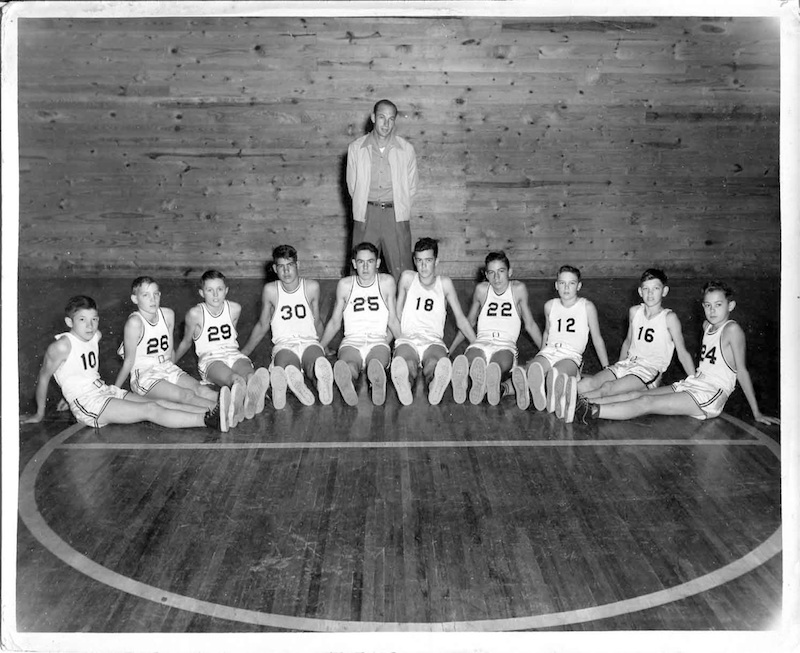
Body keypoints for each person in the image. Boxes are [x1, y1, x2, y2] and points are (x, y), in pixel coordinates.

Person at [574, 281, 780, 427]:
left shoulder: (732, 330)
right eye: (708, 305)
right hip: (694, 383)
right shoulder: (707, 325)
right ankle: (580, 403)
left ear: (731, 305)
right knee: (637, 394)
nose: (712, 310)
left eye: (718, 305)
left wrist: (756, 412)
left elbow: (741, 371)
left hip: (710, 394)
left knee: (646, 403)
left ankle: (589, 411)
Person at [20, 295, 229, 431]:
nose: (90, 325)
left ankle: (216, 409)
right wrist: (39, 414)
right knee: (150, 409)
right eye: (82, 320)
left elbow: (75, 371)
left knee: (160, 403)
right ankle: (207, 420)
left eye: (94, 319)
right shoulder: (61, 346)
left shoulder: (95, 336)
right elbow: (44, 377)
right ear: (69, 322)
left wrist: (67, 392)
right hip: (90, 403)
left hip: (104, 390)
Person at [573, 269, 696, 414]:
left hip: (648, 371)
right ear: (640, 291)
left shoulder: (669, 318)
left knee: (608, 388)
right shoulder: (635, 312)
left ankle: (575, 405)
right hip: (628, 363)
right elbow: (628, 342)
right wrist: (616, 367)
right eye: (646, 289)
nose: (650, 294)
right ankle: (560, 394)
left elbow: (683, 353)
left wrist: (694, 381)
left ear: (664, 291)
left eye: (655, 288)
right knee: (593, 382)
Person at [240, 245, 334, 409]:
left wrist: (324, 347)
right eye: (281, 266)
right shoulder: (271, 290)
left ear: (298, 265)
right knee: (285, 370)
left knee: (315, 365)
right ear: (275, 269)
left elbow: (317, 320)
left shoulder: (311, 287)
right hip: (284, 345)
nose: (286, 271)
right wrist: (243, 353)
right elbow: (263, 324)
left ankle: (321, 384)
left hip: (309, 341)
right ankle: (297, 383)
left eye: (290, 265)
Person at [174, 270, 270, 427]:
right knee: (235, 379)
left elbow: (232, 336)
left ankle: (253, 396)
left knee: (250, 375)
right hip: (211, 359)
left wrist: (242, 354)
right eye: (209, 290)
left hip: (233, 354)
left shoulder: (234, 308)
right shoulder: (195, 314)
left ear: (226, 290)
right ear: (201, 293)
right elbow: (186, 342)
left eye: (219, 289)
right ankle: (240, 400)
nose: (215, 295)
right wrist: (171, 362)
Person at [390, 237, 478, 405]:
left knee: (435, 365)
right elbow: (397, 315)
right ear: (414, 261)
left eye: (428, 260)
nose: (423, 266)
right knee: (407, 364)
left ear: (436, 261)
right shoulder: (407, 278)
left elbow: (461, 320)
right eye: (419, 261)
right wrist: (397, 340)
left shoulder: (444, 283)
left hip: (433, 340)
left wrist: (479, 345)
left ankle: (434, 385)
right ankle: (405, 385)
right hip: (408, 337)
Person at [449, 251, 543, 406]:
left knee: (496, 366)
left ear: (509, 272)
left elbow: (530, 324)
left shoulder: (518, 289)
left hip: (505, 345)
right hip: (481, 342)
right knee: (470, 361)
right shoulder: (482, 290)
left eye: (501, 271)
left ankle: (485, 382)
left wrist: (545, 352)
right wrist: (450, 351)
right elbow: (469, 322)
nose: (496, 277)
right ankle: (468, 381)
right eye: (491, 273)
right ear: (486, 275)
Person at [114, 276, 219, 410]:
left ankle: (234, 402)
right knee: (185, 395)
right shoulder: (135, 323)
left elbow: (170, 351)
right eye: (146, 295)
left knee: (201, 389)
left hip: (166, 367)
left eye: (156, 294)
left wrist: (175, 375)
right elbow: (128, 361)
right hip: (145, 375)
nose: (152, 299)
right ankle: (219, 412)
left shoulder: (168, 315)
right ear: (135, 299)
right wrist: (114, 391)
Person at [319, 242, 402, 406]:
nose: (365, 267)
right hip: (352, 341)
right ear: (354, 263)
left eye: (370, 262)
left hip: (378, 340)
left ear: (377, 263)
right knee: (348, 366)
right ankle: (347, 382)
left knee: (376, 363)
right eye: (361, 262)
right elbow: (335, 322)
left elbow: (392, 320)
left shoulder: (386, 282)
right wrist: (320, 347)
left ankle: (377, 382)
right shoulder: (345, 285)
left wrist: (405, 346)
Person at [521, 265, 609, 419]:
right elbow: (547, 332)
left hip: (570, 355)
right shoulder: (550, 306)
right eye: (562, 283)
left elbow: (597, 338)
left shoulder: (587, 307)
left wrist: (606, 367)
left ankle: (552, 393)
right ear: (556, 285)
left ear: (579, 286)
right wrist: (540, 354)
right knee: (534, 369)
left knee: (556, 374)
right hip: (550, 351)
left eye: (571, 283)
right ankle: (541, 393)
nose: (566, 288)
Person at [346, 99, 418, 280]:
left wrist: (399, 207)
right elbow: (352, 186)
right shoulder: (356, 148)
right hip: (366, 215)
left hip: (395, 215)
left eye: (391, 119)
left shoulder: (406, 150)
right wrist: (364, 207)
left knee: (403, 269)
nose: (386, 124)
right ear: (373, 118)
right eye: (381, 117)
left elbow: (411, 187)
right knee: (361, 268)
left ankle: (403, 300)